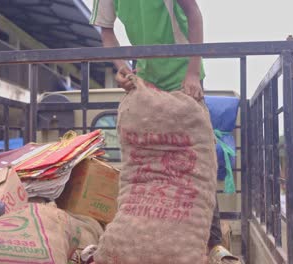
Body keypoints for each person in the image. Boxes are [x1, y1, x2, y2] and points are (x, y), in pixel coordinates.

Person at [90, 1, 239, 262]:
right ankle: (140, 233)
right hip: (146, 77)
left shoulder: (190, 73)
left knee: (195, 164)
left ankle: (213, 242)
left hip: (185, 75)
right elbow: (106, 30)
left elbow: (194, 14)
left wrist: (193, 72)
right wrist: (122, 68)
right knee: (145, 161)